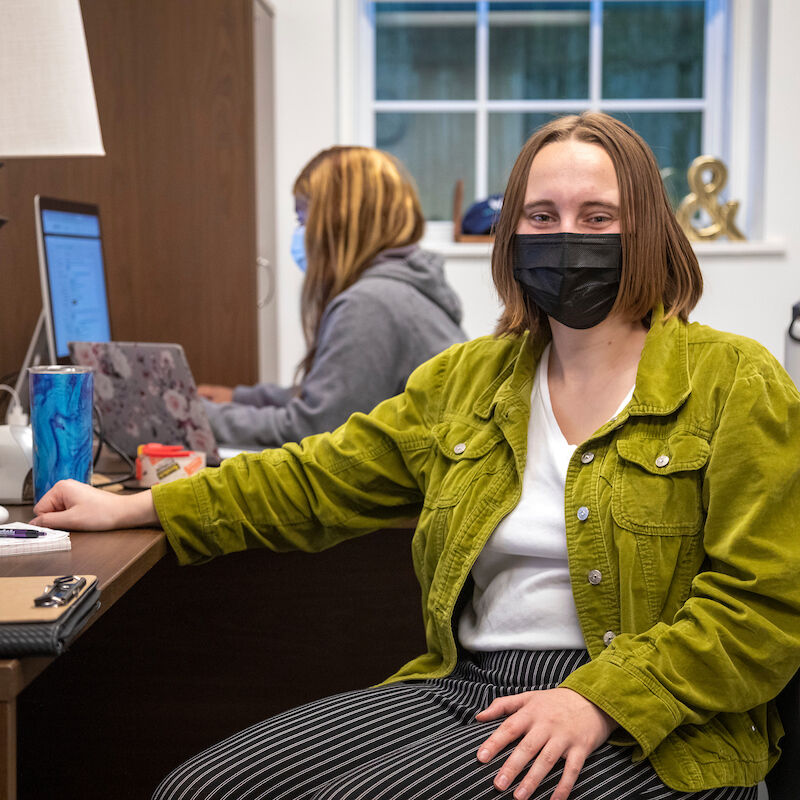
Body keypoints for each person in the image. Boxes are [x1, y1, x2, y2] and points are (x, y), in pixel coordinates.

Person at [32, 113, 800, 800]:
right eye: (542, 215)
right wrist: (140, 503)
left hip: (657, 724)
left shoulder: (734, 381)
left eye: (598, 217)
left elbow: (764, 609)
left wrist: (601, 698)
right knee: (194, 788)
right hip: (469, 685)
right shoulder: (469, 380)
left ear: (649, 234)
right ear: (513, 238)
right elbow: (317, 476)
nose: (568, 237)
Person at [196, 146, 466, 448]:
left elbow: (315, 431)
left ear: (338, 222)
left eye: (302, 219)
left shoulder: (371, 305)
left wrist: (193, 417)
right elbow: (338, 394)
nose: (300, 234)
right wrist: (243, 398)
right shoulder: (400, 290)